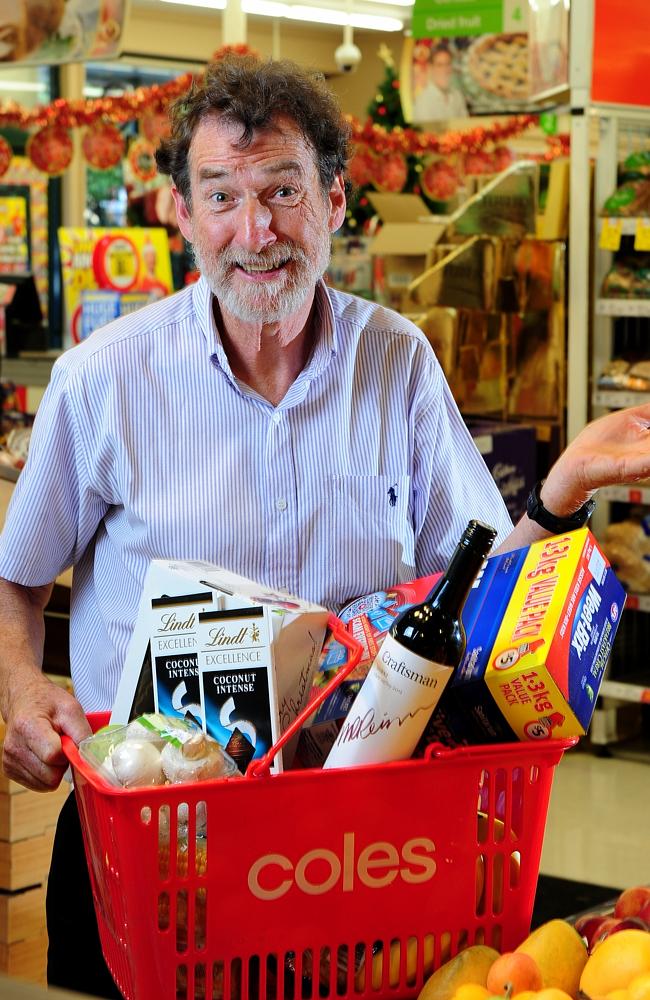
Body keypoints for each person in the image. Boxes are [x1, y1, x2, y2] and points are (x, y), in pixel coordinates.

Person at [0, 54, 649, 996]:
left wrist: (562, 489)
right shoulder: (105, 381)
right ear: (181, 215)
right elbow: (17, 571)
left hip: (356, 850)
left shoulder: (399, 365)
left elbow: (472, 590)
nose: (253, 230)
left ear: (335, 202)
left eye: (282, 190)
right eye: (220, 195)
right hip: (148, 843)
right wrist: (20, 689)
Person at [412, 44, 469, 123]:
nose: (445, 69)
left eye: (448, 64)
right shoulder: (423, 102)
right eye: (440, 65)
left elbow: (465, 126)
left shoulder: (457, 96)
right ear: (431, 68)